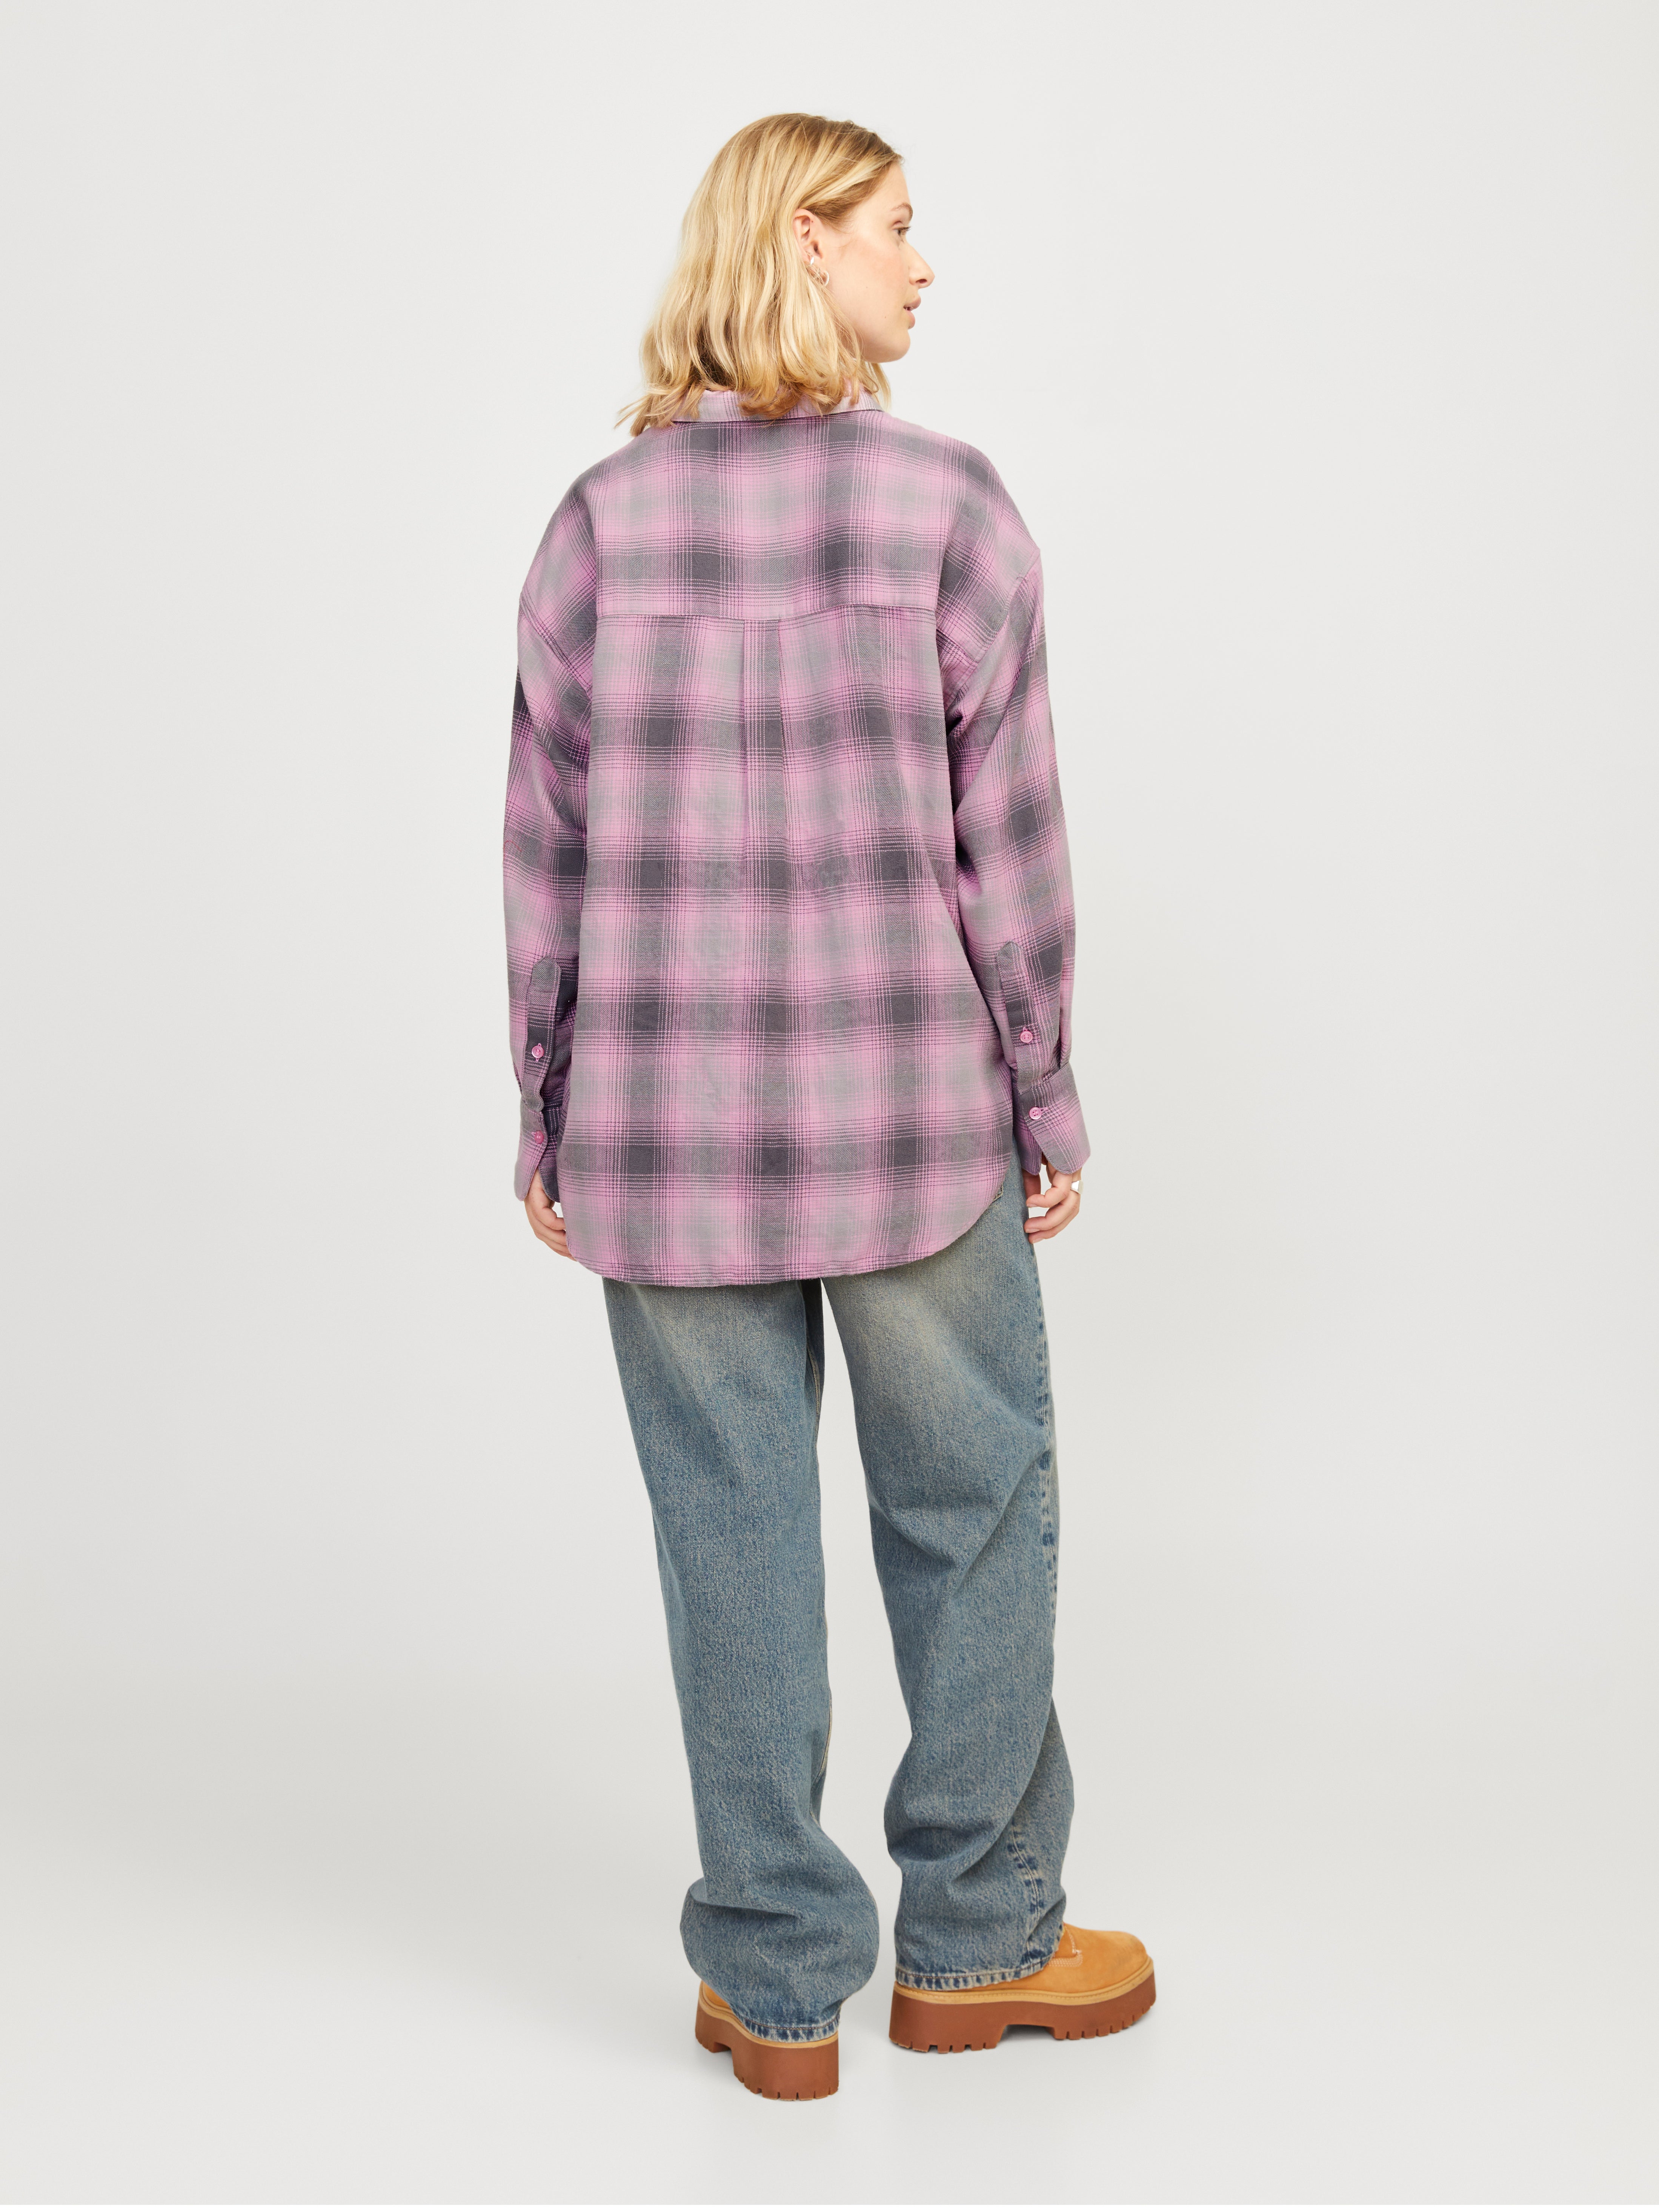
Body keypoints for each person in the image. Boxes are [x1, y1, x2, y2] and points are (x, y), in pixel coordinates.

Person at [503, 112, 1154, 2101]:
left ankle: (779, 1985)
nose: (922, 263)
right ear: (804, 239)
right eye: (894, 225)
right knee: (974, 1510)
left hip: (664, 1135)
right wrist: (1044, 1091)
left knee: (731, 1532)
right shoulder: (949, 509)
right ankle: (978, 1938)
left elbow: (545, 849)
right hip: (913, 1124)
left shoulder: (600, 528)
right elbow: (1008, 849)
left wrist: (548, 1098)